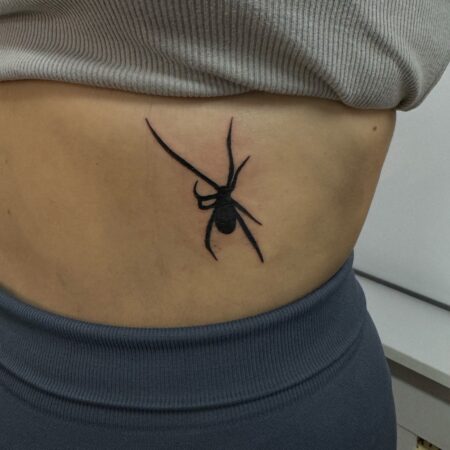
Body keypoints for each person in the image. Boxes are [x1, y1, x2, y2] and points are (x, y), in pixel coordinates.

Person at [0, 1, 449, 448]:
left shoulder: (220, 198)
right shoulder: (225, 197)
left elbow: (216, 197)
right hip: (26, 364)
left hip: (310, 379)